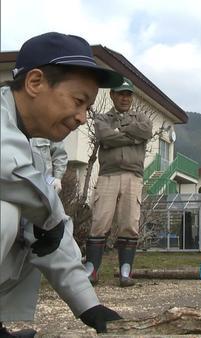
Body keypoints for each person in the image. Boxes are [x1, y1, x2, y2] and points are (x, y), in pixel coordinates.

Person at [0, 32, 123, 336]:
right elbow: (12, 177)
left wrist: (88, 305)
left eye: (88, 108)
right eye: (79, 101)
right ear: (35, 82)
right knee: (6, 213)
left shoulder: (31, 141)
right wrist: (50, 221)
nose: (82, 118)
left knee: (36, 224)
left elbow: (50, 225)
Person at [84, 77, 153, 287]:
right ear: (112, 95)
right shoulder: (103, 119)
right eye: (120, 93)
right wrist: (132, 136)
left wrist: (119, 132)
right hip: (108, 175)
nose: (124, 98)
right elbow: (105, 137)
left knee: (129, 223)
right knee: (99, 222)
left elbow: (147, 132)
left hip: (133, 175)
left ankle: (125, 271)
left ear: (132, 97)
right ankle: (92, 270)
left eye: (128, 94)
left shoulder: (143, 117)